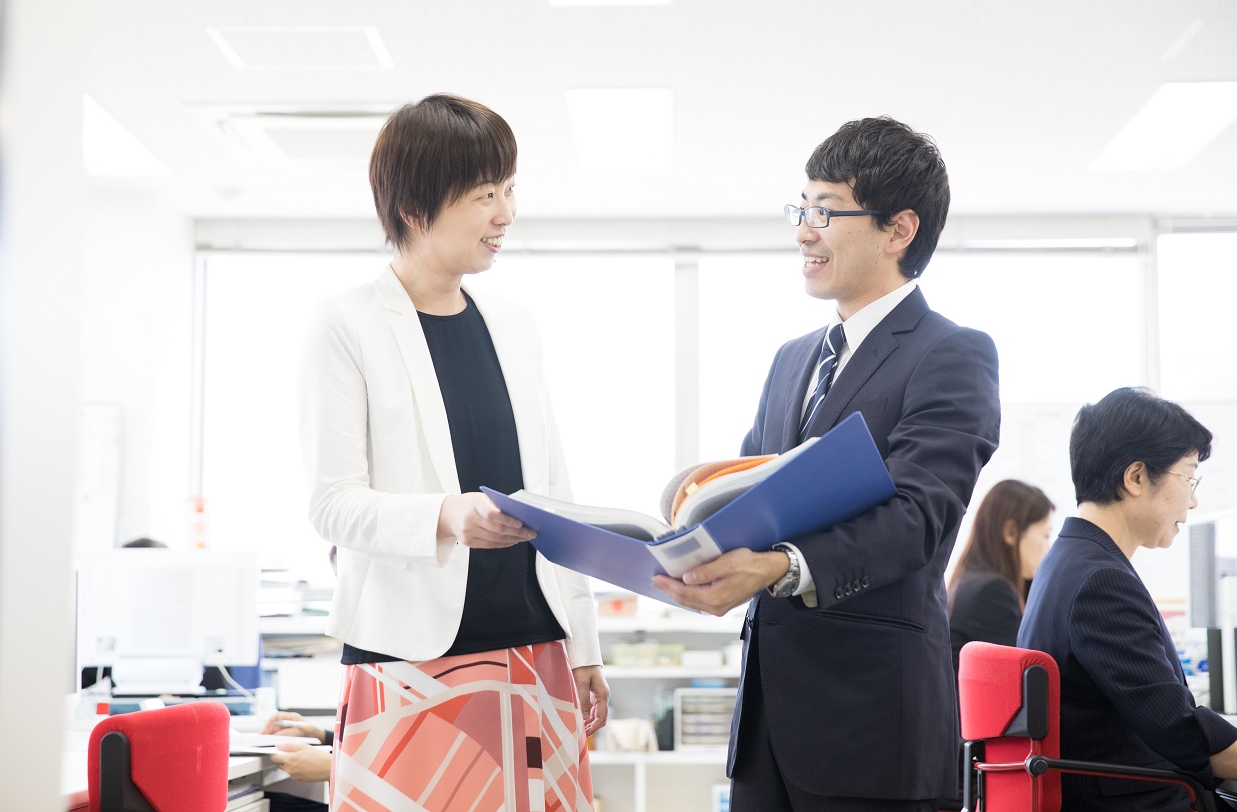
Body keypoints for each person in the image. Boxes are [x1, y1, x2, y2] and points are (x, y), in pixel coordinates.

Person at [653, 116, 1001, 811]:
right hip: (768, 730)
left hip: (872, 728)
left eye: (826, 212)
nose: (804, 233)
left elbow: (918, 517)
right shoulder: (792, 359)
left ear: (898, 230)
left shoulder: (951, 354)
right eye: (802, 210)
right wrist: (689, 529)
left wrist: (778, 567)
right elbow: (751, 496)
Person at [298, 94, 607, 812]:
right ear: (415, 208)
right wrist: (447, 515)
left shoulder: (515, 325)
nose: (506, 213)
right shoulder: (346, 323)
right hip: (410, 658)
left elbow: (555, 493)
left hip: (537, 650)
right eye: (484, 195)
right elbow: (332, 504)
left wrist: (584, 643)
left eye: (509, 190)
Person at [1018, 387, 1237, 811]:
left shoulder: (1066, 560)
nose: (1193, 500)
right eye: (1188, 478)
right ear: (1135, 477)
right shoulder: (1101, 581)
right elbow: (1184, 734)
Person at [947, 479, 1054, 677]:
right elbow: (1026, 677)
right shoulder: (992, 592)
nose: (1049, 549)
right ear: (1011, 533)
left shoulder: (970, 579)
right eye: (1046, 536)